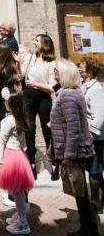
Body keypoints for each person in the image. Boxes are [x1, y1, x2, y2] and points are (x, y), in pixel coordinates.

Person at [50, 59, 99, 236]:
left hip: (75, 151)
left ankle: (90, 230)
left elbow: (73, 127)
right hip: (77, 149)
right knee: (80, 192)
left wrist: (69, 154)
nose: (54, 72)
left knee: (81, 193)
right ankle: (87, 228)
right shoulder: (69, 93)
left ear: (64, 73)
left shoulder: (68, 95)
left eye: (56, 70)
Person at [0, 88, 35, 235]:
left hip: (11, 155)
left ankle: (23, 223)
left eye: (7, 102)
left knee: (17, 191)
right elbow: (23, 142)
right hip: (19, 154)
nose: (5, 103)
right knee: (18, 190)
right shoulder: (21, 119)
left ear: (10, 105)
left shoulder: (7, 121)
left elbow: (1, 141)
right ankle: (20, 216)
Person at [22, 34, 57, 180]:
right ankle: (32, 163)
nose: (34, 42)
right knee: (29, 130)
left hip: (43, 97)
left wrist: (36, 84)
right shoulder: (30, 57)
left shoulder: (51, 62)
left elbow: (52, 87)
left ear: (44, 44)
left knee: (47, 129)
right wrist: (18, 63)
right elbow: (21, 75)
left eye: (36, 40)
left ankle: (54, 163)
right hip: (28, 98)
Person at [79, 56, 104, 214]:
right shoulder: (84, 86)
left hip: (95, 138)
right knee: (92, 169)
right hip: (87, 136)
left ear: (90, 70)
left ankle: (95, 204)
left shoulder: (95, 90)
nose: (79, 68)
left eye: (82, 66)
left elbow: (100, 116)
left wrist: (89, 132)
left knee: (95, 171)